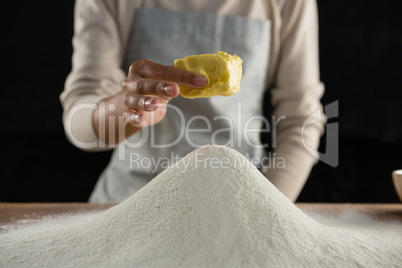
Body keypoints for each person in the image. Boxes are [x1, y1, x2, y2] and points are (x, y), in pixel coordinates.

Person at [60, 0, 325, 203]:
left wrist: (268, 207)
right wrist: (130, 108)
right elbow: (80, 122)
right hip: (130, 199)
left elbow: (301, 119)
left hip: (241, 201)